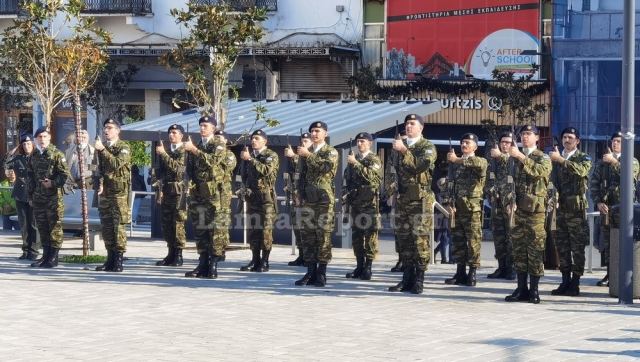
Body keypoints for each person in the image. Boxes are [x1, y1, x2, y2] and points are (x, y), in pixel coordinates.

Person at [388, 114, 436, 294]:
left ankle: (419, 279)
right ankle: (406, 278)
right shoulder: (400, 146)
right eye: (407, 124)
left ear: (421, 128)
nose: (408, 127)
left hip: (420, 201)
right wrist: (391, 191)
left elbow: (420, 166)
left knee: (420, 241)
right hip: (403, 200)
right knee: (404, 241)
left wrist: (403, 151)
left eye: (412, 124)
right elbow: (391, 170)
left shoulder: (427, 147)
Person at [504, 124, 551, 304]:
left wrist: (521, 157)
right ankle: (521, 288)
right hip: (518, 211)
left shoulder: (543, 157)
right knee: (518, 249)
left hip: (535, 212)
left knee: (535, 249)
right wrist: (509, 200)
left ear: (537, 138)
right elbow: (508, 181)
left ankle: (534, 290)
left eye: (529, 134)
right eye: (523, 134)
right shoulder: (513, 158)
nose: (525, 137)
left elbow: (540, 172)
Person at [589, 131, 640, 287]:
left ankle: (624, 274)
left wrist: (614, 162)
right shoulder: (601, 163)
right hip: (607, 208)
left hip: (625, 210)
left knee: (624, 242)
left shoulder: (631, 160)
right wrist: (597, 202)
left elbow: (630, 175)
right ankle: (610, 274)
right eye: (614, 141)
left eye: (618, 141)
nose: (615, 144)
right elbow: (594, 184)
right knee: (607, 243)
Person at [548, 127, 592, 296]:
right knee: (562, 246)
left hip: (576, 210)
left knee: (577, 247)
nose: (567, 140)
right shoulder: (555, 158)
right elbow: (551, 181)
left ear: (577, 141)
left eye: (570, 137)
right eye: (565, 137)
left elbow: (582, 171)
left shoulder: (583, 157)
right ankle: (565, 280)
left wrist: (561, 160)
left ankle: (575, 282)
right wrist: (553, 196)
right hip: (561, 209)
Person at [294, 121, 338, 287]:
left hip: (324, 200)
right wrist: (297, 192)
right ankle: (310, 272)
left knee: (323, 236)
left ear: (325, 133)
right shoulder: (307, 151)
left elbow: (327, 168)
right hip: (308, 199)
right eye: (312, 131)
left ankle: (321, 273)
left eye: (318, 131)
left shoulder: (330, 151)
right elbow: (300, 174)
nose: (314, 133)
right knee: (308, 236)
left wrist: (308, 155)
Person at [183, 115, 227, 279]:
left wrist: (194, 150)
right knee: (200, 229)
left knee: (214, 230)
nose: (202, 128)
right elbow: (190, 169)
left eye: (206, 126)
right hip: (198, 193)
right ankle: (202, 263)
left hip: (213, 194)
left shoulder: (218, 143)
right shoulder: (198, 144)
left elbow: (214, 161)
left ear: (213, 128)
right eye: (201, 125)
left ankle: (213, 264)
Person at [444, 133, 487, 287]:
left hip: (472, 209)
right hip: (457, 208)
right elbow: (450, 183)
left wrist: (457, 160)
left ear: (475, 146)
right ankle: (460, 272)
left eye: (468, 143)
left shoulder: (480, 161)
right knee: (458, 242)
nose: (464, 145)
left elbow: (478, 165)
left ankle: (472, 273)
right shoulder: (454, 163)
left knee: (473, 242)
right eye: (462, 142)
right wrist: (448, 202)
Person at [27, 127, 70, 268]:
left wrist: (53, 183)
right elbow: (30, 177)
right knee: (42, 227)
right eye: (39, 137)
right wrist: (30, 196)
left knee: (54, 228)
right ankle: (45, 256)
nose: (42, 139)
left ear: (50, 138)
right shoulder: (34, 155)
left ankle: (53, 257)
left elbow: (65, 175)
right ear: (36, 139)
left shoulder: (57, 154)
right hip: (38, 198)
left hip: (53, 198)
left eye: (45, 136)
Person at [342, 132, 382, 280]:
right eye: (358, 141)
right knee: (357, 237)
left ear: (370, 143)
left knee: (370, 236)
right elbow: (347, 178)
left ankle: (368, 267)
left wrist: (356, 164)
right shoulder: (354, 158)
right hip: (355, 203)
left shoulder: (374, 159)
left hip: (369, 204)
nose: (360, 144)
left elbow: (372, 177)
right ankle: (359, 266)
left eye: (363, 141)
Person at [94, 118, 132, 272]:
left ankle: (119, 260)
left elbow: (117, 164)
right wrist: (100, 183)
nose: (106, 130)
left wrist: (102, 150)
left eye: (110, 128)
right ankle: (109, 259)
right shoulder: (102, 148)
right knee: (107, 227)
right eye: (105, 128)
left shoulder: (124, 147)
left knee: (118, 227)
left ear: (118, 130)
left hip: (119, 194)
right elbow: (100, 170)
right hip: (106, 193)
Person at [239, 129, 279, 272]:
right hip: (252, 198)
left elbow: (266, 170)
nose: (253, 141)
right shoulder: (248, 156)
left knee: (265, 231)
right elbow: (243, 175)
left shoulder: (270, 155)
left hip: (266, 198)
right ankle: (254, 259)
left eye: (257, 138)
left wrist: (250, 159)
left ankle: (265, 260)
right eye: (252, 138)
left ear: (265, 141)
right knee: (253, 230)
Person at [152, 124, 187, 267]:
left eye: (174, 132)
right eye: (170, 133)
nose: (171, 135)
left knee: (178, 224)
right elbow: (159, 171)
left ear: (181, 135)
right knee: (167, 224)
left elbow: (179, 170)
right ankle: (170, 253)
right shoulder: (165, 151)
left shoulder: (184, 151)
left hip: (179, 193)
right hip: (166, 192)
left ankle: (178, 255)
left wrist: (164, 154)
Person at [485, 131, 517, 280]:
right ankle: (502, 267)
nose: (505, 144)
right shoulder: (493, 160)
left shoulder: (516, 158)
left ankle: (512, 268)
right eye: (503, 142)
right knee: (498, 236)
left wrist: (500, 156)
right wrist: (491, 191)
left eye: (508, 142)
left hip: (511, 204)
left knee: (511, 237)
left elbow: (516, 180)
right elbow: (489, 179)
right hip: (496, 204)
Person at [5, 134, 40, 260]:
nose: (26, 146)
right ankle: (26, 250)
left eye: (29, 143)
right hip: (20, 194)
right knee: (24, 224)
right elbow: (6, 164)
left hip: (34, 195)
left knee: (33, 224)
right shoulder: (18, 158)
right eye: (24, 144)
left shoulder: (38, 158)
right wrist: (13, 151)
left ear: (33, 145)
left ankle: (34, 251)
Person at [284, 132, 312, 266]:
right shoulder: (300, 156)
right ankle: (301, 255)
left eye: (306, 141)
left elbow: (308, 167)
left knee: (307, 229)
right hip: (296, 197)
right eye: (301, 141)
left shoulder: (311, 155)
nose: (303, 144)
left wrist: (294, 156)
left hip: (308, 198)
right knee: (297, 228)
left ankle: (308, 257)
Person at [384, 129, 408, 273]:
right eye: (399, 139)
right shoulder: (393, 153)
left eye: (404, 139)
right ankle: (400, 258)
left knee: (407, 230)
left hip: (408, 195)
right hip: (396, 196)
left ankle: (407, 261)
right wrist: (390, 192)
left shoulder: (410, 151)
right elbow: (389, 173)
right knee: (397, 230)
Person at [213, 129, 237, 259]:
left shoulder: (229, 154)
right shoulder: (211, 152)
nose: (218, 140)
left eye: (220, 138)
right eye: (216, 137)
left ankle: (221, 249)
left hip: (223, 192)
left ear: (226, 141)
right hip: (211, 192)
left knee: (222, 221)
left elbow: (226, 167)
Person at [433, 177, 452, 264]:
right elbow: (440, 207)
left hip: (447, 218)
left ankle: (436, 251)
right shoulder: (438, 195)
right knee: (445, 238)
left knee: (447, 238)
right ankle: (444, 259)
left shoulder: (448, 194)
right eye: (445, 184)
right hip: (441, 219)